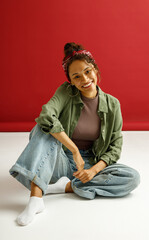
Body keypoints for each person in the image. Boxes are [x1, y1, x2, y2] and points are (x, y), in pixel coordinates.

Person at [9, 42, 140, 226]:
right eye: (76, 76)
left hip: (88, 164)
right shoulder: (66, 92)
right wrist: (74, 151)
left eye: (87, 71)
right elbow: (46, 115)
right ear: (70, 80)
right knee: (42, 128)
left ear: (95, 70)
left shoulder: (113, 105)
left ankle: (67, 186)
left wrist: (93, 170)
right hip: (59, 157)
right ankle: (36, 198)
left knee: (131, 177)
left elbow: (115, 146)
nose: (84, 79)